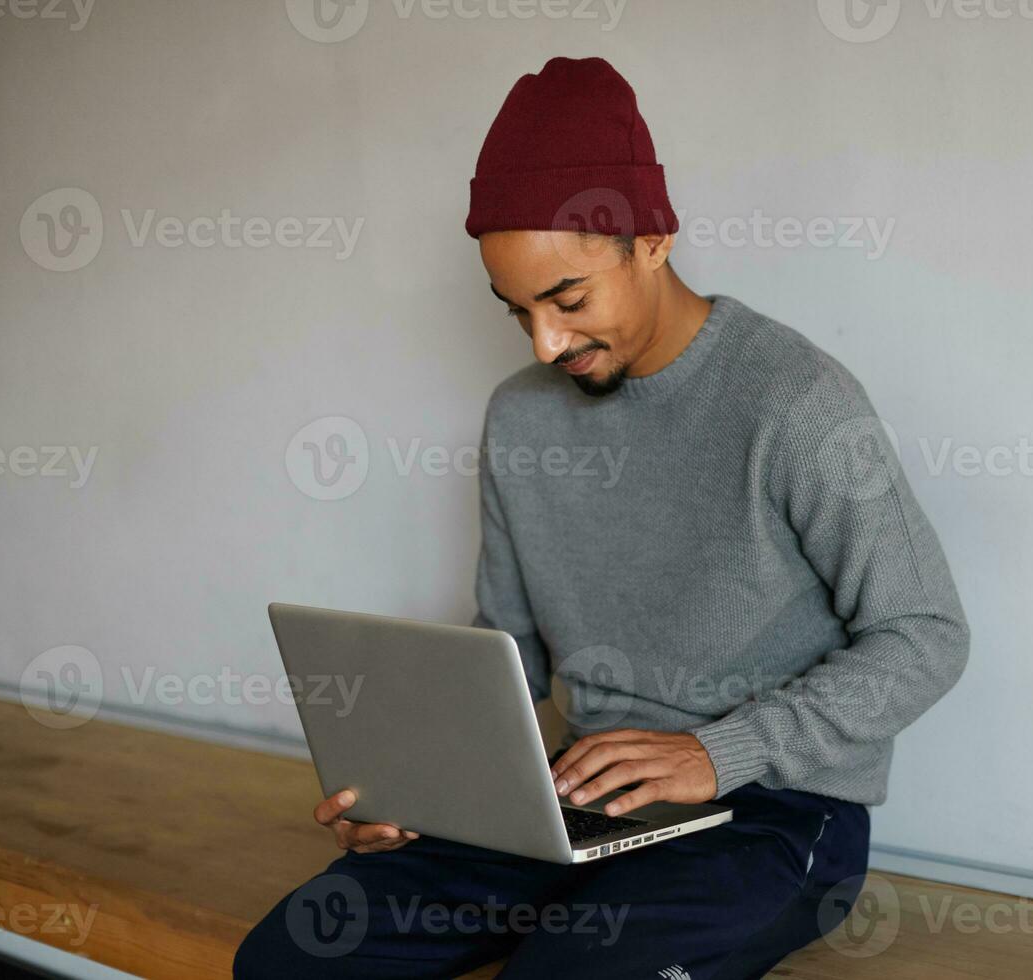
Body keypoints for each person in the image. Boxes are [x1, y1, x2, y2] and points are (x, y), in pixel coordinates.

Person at [235, 55, 969, 979]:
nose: (547, 343)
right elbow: (509, 647)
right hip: (573, 797)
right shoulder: (521, 415)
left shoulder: (796, 404)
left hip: (769, 814)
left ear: (652, 240)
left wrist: (718, 752)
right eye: (516, 311)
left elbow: (925, 634)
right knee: (288, 960)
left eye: (568, 299)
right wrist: (422, 787)